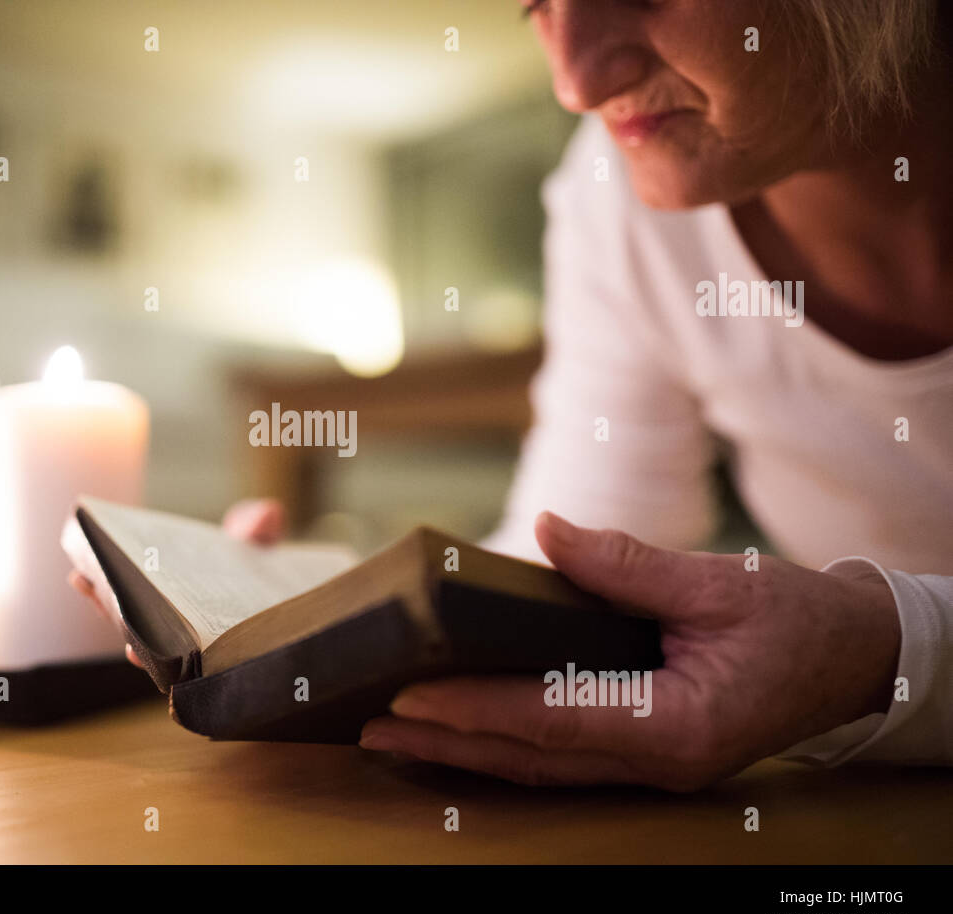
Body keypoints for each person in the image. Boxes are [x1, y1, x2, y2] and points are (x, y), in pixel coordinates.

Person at [83, 0, 953, 791]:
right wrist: (323, 620)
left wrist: (880, 650)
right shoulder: (617, 192)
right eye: (535, 3)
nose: (573, 81)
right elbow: (582, 547)